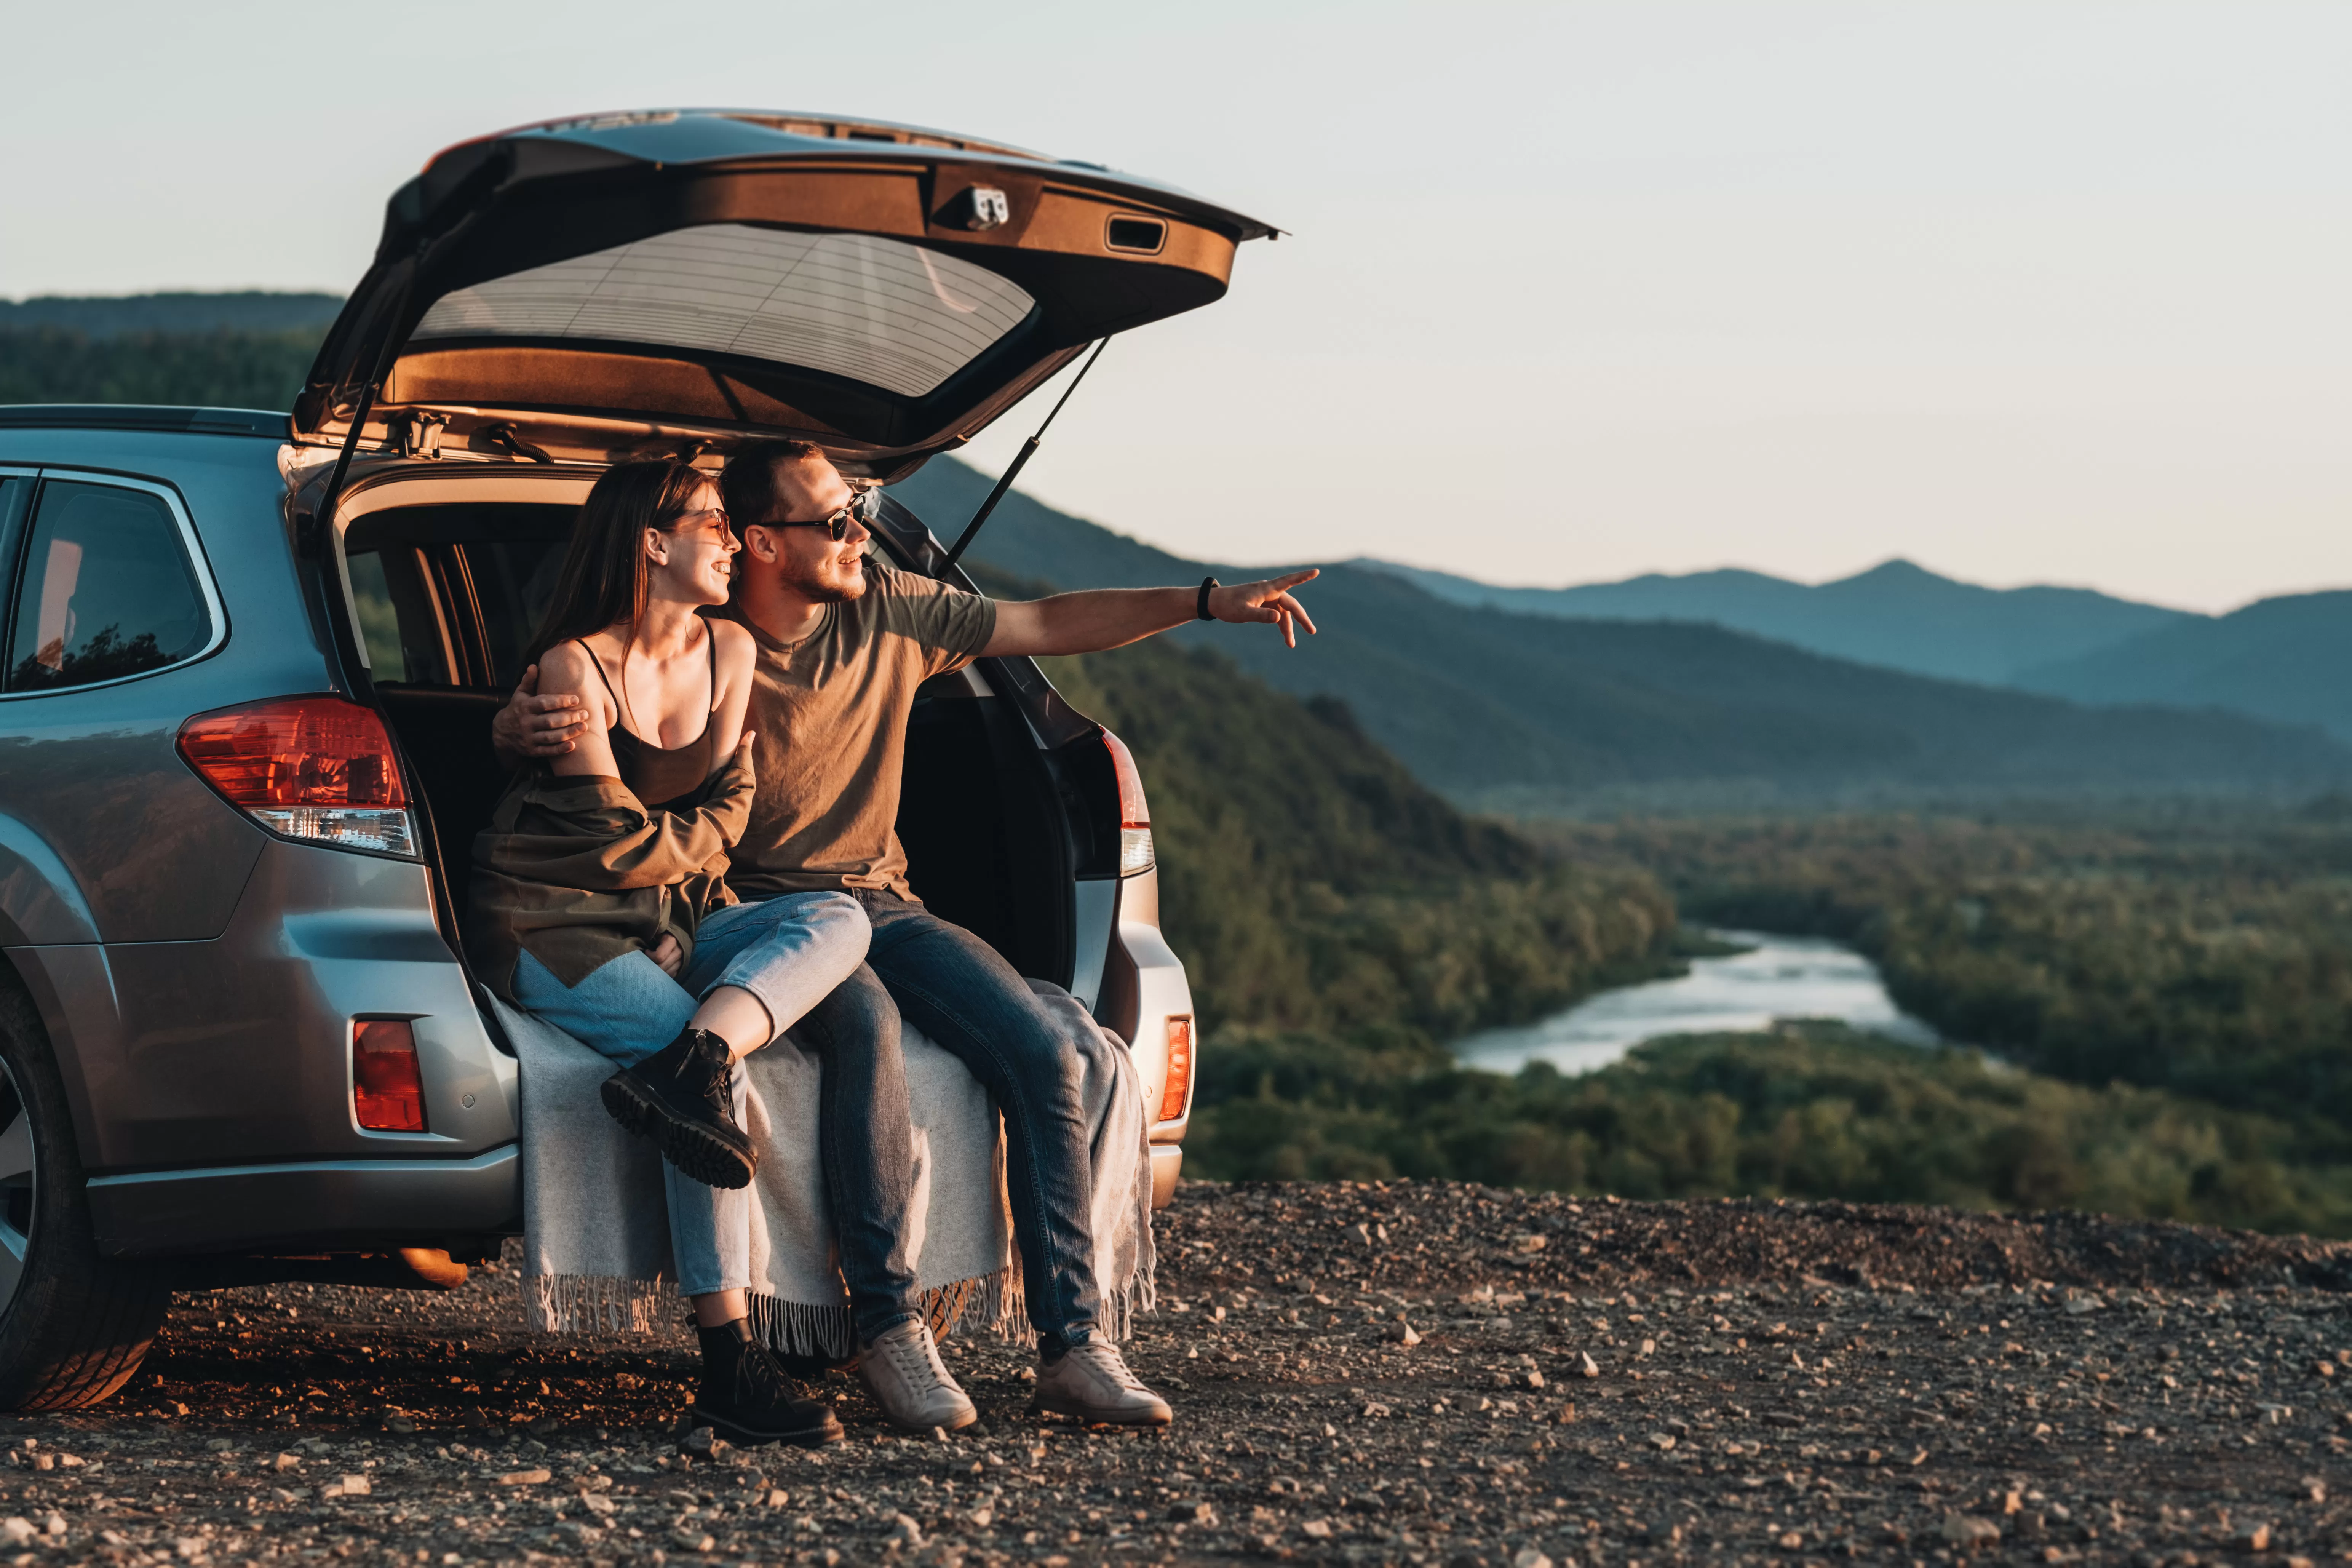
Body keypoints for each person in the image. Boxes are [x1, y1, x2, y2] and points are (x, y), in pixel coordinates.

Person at [494, 439, 1317, 1432]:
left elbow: (1045, 621)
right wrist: (515, 723)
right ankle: (890, 1328)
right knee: (866, 1030)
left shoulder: (885, 606)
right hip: (750, 915)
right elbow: (600, 686)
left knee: (1049, 1041)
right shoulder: (703, 626)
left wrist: (1207, 600)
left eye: (861, 511)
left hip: (881, 901)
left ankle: (1074, 1340)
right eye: (835, 519)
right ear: (757, 540)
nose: (860, 533)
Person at [469, 457, 871, 1447]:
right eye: (714, 522)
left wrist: (683, 929)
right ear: (652, 540)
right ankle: (733, 1364)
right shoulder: (573, 667)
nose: (735, 541)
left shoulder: (731, 650)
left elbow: (726, 821)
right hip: (549, 918)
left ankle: (700, 1054)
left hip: (662, 915)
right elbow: (614, 840)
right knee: (717, 1105)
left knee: (839, 922)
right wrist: (680, 876)